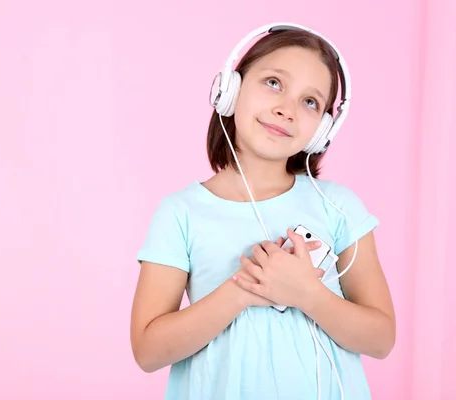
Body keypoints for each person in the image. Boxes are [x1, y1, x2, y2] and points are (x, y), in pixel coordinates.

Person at [130, 22, 396, 400]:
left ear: (322, 130)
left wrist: (307, 293)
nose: (286, 109)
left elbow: (381, 339)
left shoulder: (339, 207)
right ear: (231, 91)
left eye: (310, 102)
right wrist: (245, 290)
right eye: (274, 82)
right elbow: (148, 350)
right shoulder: (180, 213)